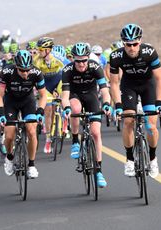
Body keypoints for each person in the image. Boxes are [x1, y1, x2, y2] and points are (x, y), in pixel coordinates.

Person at [110, 24, 161, 179]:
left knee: (151, 126)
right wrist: (118, 105)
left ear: (140, 41)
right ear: (123, 43)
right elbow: (114, 83)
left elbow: (160, 78)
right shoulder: (116, 56)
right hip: (129, 86)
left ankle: (153, 159)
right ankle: (129, 159)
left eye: (135, 44)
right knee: (128, 121)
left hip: (148, 85)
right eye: (128, 44)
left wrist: (160, 103)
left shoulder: (149, 52)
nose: (132, 48)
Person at [62, 42, 111, 187]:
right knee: (75, 109)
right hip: (74, 95)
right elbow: (65, 96)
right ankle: (76, 141)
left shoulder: (96, 67)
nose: (82, 64)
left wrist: (107, 104)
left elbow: (104, 90)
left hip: (91, 96)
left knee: (96, 133)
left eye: (84, 60)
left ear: (88, 58)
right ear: (73, 59)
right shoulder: (68, 70)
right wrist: (66, 108)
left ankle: (99, 171)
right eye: (78, 61)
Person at [0, 50, 47, 178]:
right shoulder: (7, 72)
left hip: (27, 101)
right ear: (16, 67)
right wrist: (1, 114)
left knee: (31, 131)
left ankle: (31, 165)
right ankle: (9, 157)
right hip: (11, 102)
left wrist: (40, 111)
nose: (25, 73)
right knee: (9, 135)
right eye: (22, 70)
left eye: (27, 70)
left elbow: (43, 95)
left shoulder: (36, 73)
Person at [33, 37, 64, 154]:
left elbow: (67, 72)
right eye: (38, 49)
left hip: (58, 81)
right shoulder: (37, 60)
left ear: (48, 50)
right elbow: (34, 77)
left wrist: (62, 90)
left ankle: (63, 121)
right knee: (48, 109)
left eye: (41, 50)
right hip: (45, 84)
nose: (38, 52)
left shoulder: (58, 58)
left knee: (62, 100)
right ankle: (48, 139)